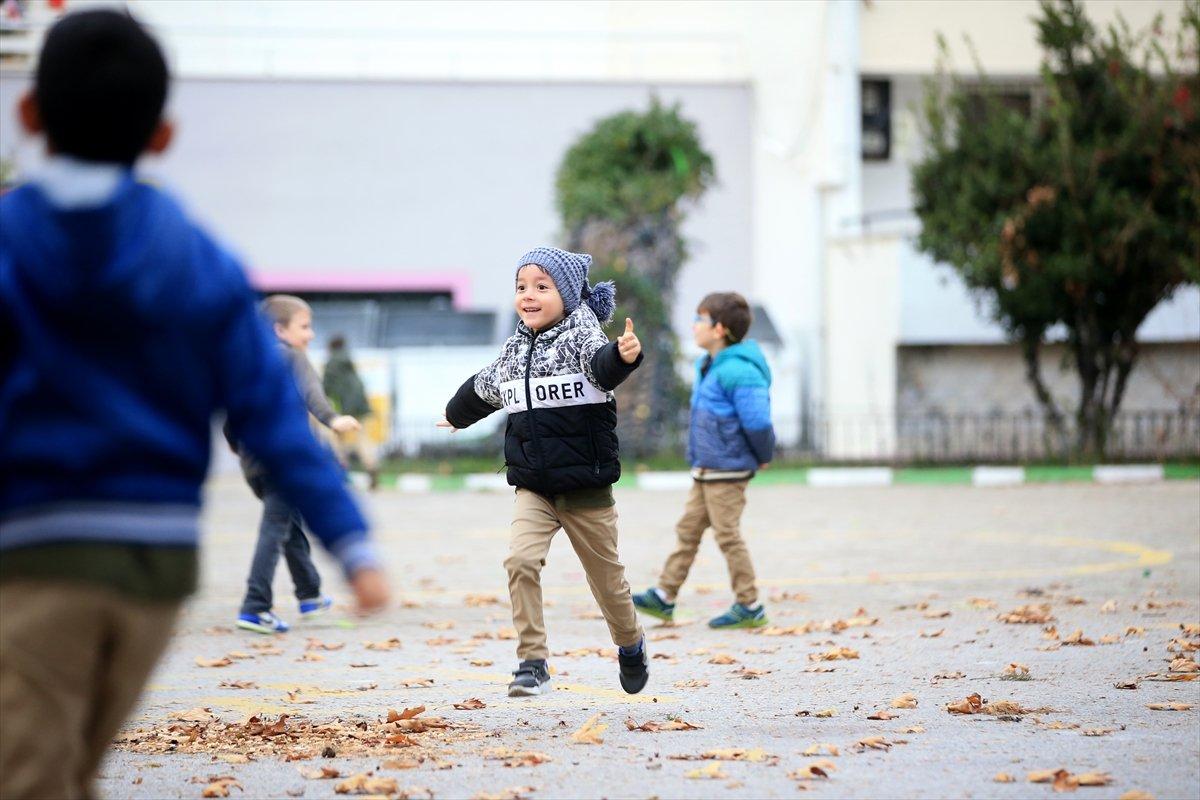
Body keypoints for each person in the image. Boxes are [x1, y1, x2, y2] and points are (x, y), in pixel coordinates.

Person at [0, 10, 389, 799]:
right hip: (156, 572)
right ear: (164, 135)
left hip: (35, 551)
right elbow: (272, 415)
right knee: (62, 765)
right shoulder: (200, 259)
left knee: (31, 771)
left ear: (29, 115)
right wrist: (353, 541)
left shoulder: (10, 241)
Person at [439, 247, 649, 697]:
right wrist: (456, 414)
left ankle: (631, 645)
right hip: (533, 487)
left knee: (608, 584)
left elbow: (602, 365)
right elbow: (485, 385)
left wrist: (624, 356)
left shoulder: (581, 337)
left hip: (585, 487)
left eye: (541, 287)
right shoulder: (515, 347)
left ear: (568, 294)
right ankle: (532, 661)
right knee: (518, 560)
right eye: (521, 287)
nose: (528, 296)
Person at [632, 291, 775, 628]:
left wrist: (763, 455)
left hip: (728, 469)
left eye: (700, 320)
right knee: (688, 531)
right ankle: (665, 596)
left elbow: (758, 421)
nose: (694, 326)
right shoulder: (707, 364)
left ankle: (750, 604)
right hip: (707, 468)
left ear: (720, 329)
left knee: (727, 535)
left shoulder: (740, 370)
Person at [230, 296, 362, 634]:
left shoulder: (245, 361)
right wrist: (334, 419)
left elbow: (232, 417)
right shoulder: (290, 356)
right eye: (304, 327)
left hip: (253, 463)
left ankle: (310, 594)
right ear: (280, 330)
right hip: (283, 461)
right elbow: (312, 393)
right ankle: (255, 606)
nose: (311, 335)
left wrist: (240, 449)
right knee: (274, 530)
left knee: (287, 524)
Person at [322, 334, 380, 490]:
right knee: (363, 439)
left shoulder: (332, 363)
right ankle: (371, 466)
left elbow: (325, 388)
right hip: (361, 406)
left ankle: (341, 471)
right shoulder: (349, 361)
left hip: (344, 408)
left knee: (336, 439)